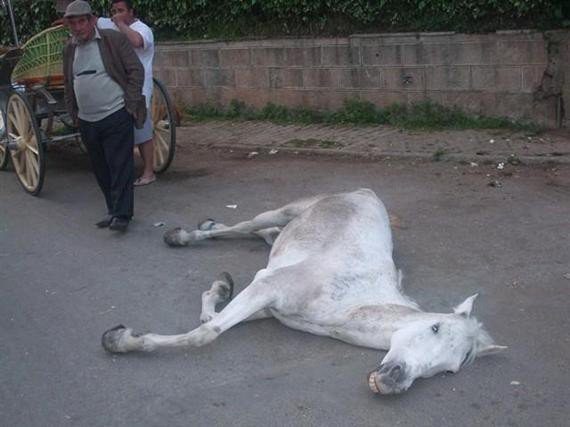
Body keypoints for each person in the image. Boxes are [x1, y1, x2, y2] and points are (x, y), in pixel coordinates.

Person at [63, 0, 146, 232]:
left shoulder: (112, 39)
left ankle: (122, 215)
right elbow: (69, 82)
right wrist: (74, 114)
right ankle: (112, 209)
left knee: (120, 165)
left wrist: (129, 105)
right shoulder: (69, 48)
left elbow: (135, 71)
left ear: (91, 20)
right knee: (100, 168)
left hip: (116, 113)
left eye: (82, 21)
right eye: (73, 23)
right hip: (87, 119)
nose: (78, 27)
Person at [97, 0, 156, 186]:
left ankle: (148, 172)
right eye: (114, 11)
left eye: (121, 11)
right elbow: (93, 22)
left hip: (139, 89)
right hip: (118, 88)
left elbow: (137, 42)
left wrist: (121, 24)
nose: (116, 14)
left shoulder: (143, 29)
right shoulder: (109, 24)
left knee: (143, 132)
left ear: (131, 12)